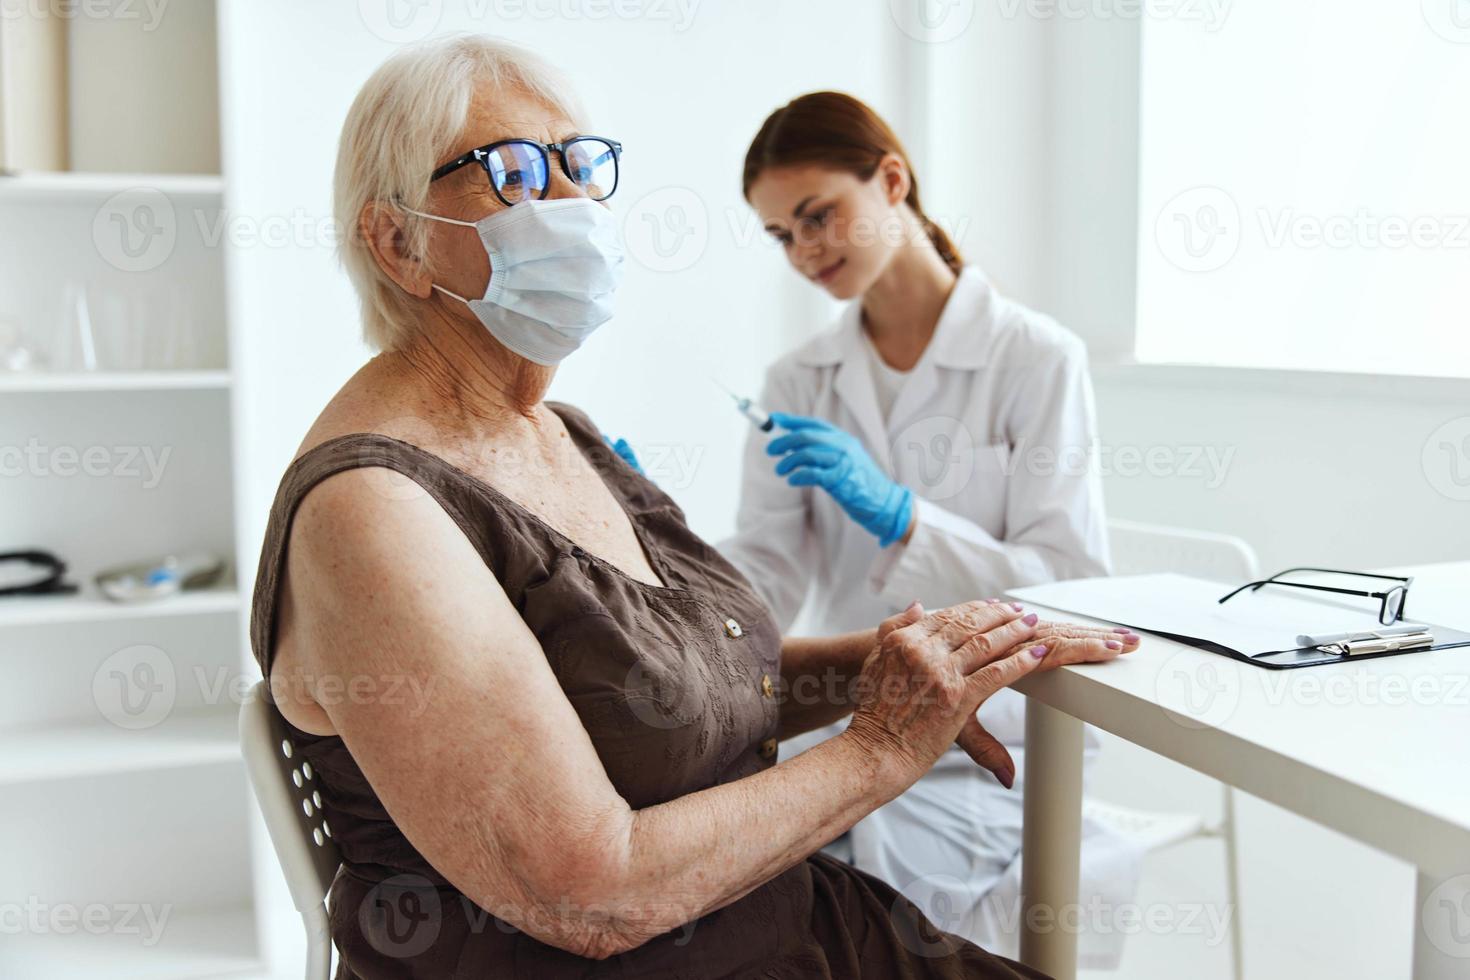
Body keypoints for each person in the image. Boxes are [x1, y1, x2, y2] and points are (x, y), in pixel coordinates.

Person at [720, 91, 1143, 967]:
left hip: (1012, 739)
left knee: (822, 899)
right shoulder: (799, 379)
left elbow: (1070, 583)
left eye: (818, 216)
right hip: (865, 722)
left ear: (892, 180)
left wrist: (908, 518)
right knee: (758, 873)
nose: (804, 251)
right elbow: (765, 574)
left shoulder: (1035, 358)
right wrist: (654, 549)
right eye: (779, 236)